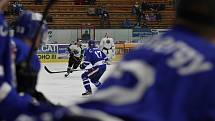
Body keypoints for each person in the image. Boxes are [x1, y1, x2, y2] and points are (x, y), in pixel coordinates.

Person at [58, 0, 215, 120]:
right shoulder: (208, 59)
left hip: (84, 114)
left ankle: (91, 88)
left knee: (86, 76)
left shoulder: (145, 47)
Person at [0, 1, 64, 121]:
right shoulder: (23, 50)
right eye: (41, 34)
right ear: (32, 31)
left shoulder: (11, 41)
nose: (42, 39)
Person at [13, 10, 55, 105]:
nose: (42, 37)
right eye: (41, 33)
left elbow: (26, 91)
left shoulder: (31, 55)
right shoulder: (17, 48)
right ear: (32, 31)